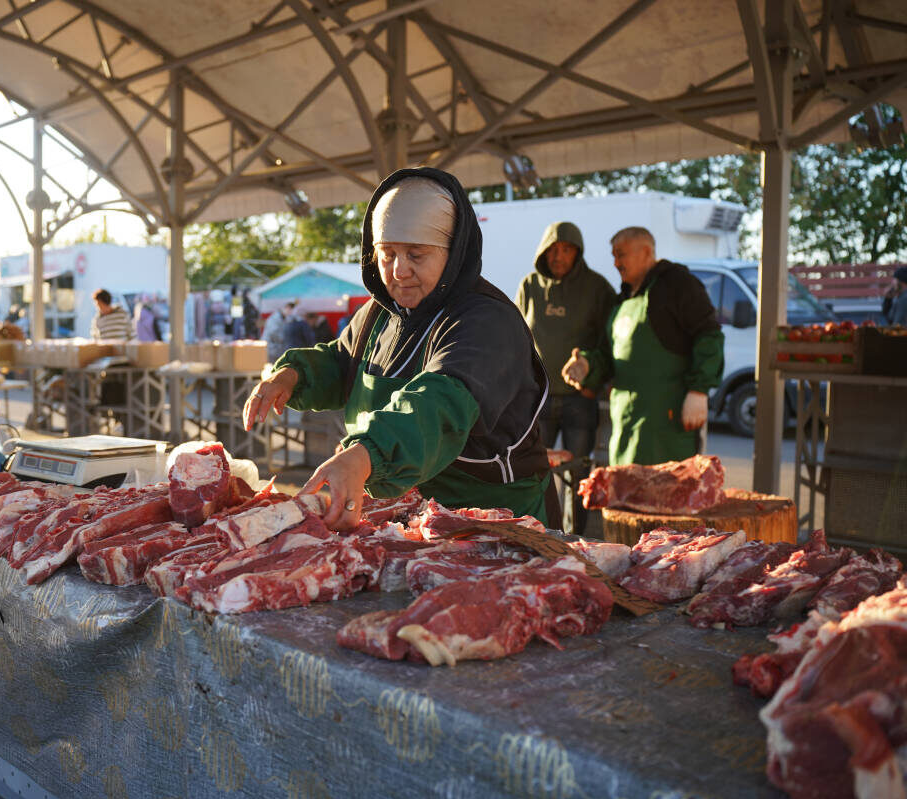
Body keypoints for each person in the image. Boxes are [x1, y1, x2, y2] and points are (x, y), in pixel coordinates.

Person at [243, 168, 552, 530]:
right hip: (407, 516)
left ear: (453, 253)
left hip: (488, 521)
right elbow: (343, 360)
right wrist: (293, 375)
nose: (399, 271)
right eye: (386, 254)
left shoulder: (487, 322)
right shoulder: (380, 312)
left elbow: (439, 404)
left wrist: (366, 455)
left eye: (416, 255)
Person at [562, 227, 724, 466]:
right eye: (613, 256)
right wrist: (587, 365)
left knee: (667, 496)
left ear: (647, 252)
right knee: (624, 497)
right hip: (625, 427)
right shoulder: (623, 299)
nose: (616, 263)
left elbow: (709, 335)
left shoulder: (678, 285)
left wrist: (699, 391)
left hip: (666, 428)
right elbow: (609, 356)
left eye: (621, 254)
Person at [516, 221, 616, 535]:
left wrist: (592, 386)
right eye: (554, 250)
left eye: (567, 250)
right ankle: (537, 534)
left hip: (579, 400)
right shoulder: (530, 285)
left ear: (578, 253)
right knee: (534, 472)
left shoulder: (598, 288)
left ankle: (574, 540)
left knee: (579, 476)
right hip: (539, 399)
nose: (559, 256)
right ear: (544, 252)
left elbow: (611, 343)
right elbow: (517, 338)